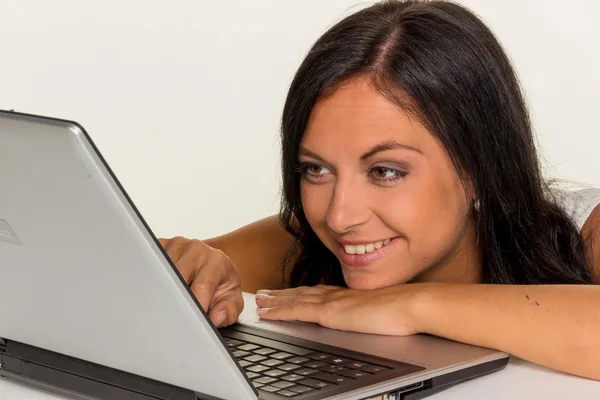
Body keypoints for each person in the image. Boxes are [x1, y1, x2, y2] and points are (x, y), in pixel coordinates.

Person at [159, 0, 600, 380]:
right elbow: (120, 282)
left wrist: (411, 306)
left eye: (385, 171)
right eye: (315, 169)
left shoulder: (585, 229)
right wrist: (195, 268)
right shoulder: (308, 241)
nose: (339, 216)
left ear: (479, 169)